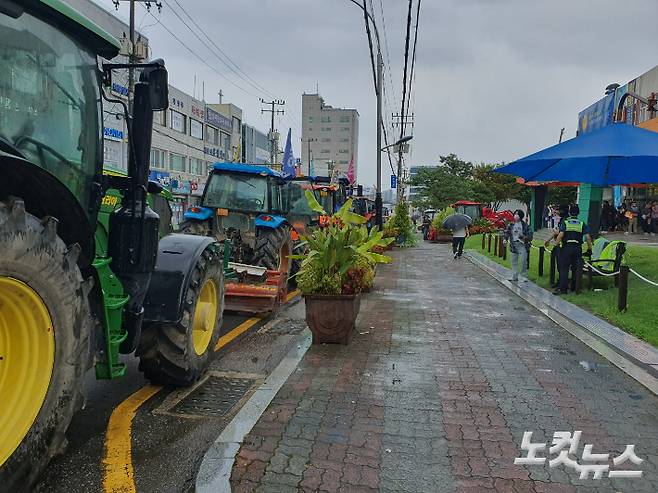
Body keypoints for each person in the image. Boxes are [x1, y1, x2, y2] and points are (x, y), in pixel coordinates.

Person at [553, 204, 593, 295]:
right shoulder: (582, 224)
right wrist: (590, 248)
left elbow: (561, 235)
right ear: (578, 213)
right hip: (577, 248)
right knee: (576, 268)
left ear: (570, 213)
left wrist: (556, 245)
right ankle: (574, 288)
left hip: (567, 247)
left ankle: (563, 289)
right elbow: (588, 237)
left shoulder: (566, 222)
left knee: (564, 268)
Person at [503, 210, 533, 282]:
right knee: (513, 261)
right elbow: (507, 233)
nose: (516, 216)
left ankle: (523, 276)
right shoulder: (511, 225)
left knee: (523, 261)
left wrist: (523, 237)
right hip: (513, 245)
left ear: (521, 216)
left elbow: (530, 236)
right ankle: (514, 276)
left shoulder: (525, 225)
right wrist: (505, 239)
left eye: (517, 214)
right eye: (515, 214)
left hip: (523, 245)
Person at [545, 204, 568, 288]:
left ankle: (562, 285)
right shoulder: (563, 219)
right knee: (561, 266)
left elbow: (559, 233)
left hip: (562, 246)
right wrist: (549, 239)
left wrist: (555, 243)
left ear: (562, 211)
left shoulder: (565, 221)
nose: (556, 211)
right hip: (564, 245)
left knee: (561, 266)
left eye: (558, 210)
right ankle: (561, 283)